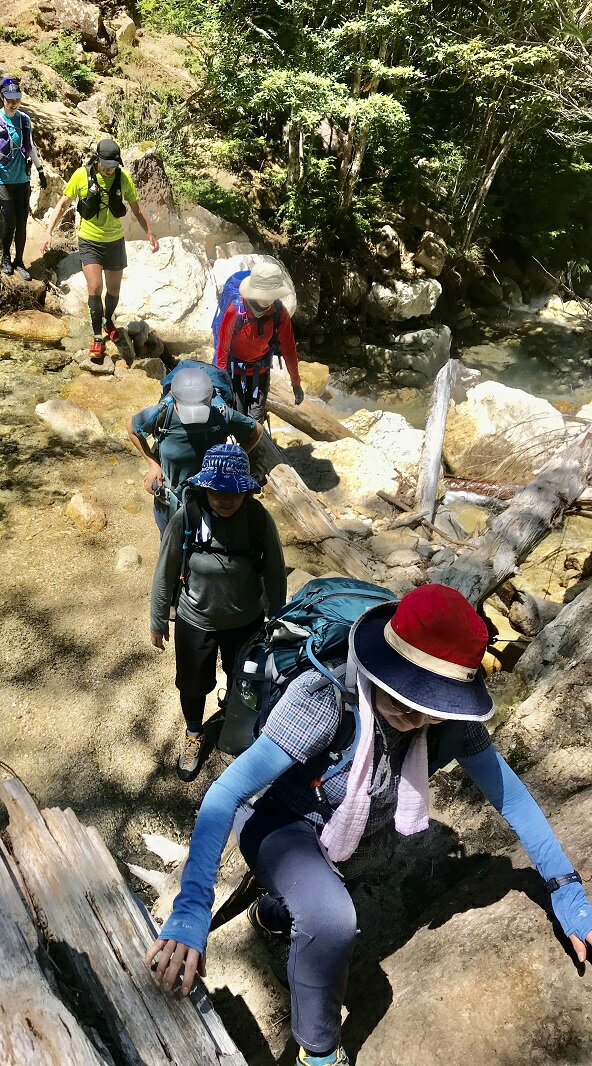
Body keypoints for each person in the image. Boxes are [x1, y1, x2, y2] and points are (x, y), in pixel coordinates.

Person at [144, 584, 592, 1066]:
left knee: (316, 896)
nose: (417, 714)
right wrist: (191, 910)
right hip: (282, 822)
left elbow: (514, 800)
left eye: (433, 702)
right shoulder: (322, 699)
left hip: (355, 840)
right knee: (332, 920)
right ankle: (318, 1053)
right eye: (408, 693)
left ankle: (273, 912)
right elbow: (225, 793)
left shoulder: (449, 722)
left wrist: (566, 887)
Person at [150, 443, 286, 781]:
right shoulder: (188, 517)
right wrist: (157, 620)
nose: (224, 499)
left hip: (246, 620)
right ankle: (194, 733)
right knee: (192, 685)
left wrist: (279, 618)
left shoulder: (258, 520)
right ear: (204, 488)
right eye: (216, 492)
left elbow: (274, 571)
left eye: (233, 493)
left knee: (245, 680)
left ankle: (237, 722)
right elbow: (165, 571)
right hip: (195, 619)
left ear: (246, 491)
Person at [40, 138, 159, 361]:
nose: (109, 169)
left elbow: (136, 208)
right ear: (97, 159)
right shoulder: (81, 176)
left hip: (114, 241)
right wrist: (48, 231)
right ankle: (97, 337)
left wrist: (149, 232)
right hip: (89, 240)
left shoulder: (122, 178)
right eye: (106, 164)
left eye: (113, 165)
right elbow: (63, 203)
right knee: (95, 288)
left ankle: (108, 321)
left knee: (113, 291)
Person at [128, 366, 263, 537]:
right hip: (172, 497)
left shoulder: (220, 413)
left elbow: (256, 430)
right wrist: (153, 464)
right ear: (175, 401)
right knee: (170, 541)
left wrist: (235, 458)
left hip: (210, 497)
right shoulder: (163, 411)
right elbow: (132, 429)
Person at [0, 76, 46, 281]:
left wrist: (40, 170)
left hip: (22, 180)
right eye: (9, 99)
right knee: (10, 222)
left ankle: (19, 262)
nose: (13, 103)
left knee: (22, 223)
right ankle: (5, 257)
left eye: (17, 99)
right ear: (2, 98)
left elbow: (29, 147)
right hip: (2, 181)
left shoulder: (24, 119)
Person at [215, 261, 304, 421]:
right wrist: (219, 383)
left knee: (255, 422)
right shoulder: (235, 310)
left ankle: (256, 443)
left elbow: (289, 349)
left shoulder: (279, 312)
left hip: (260, 373)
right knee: (236, 420)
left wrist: (295, 383)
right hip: (233, 374)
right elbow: (222, 349)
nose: (267, 300)